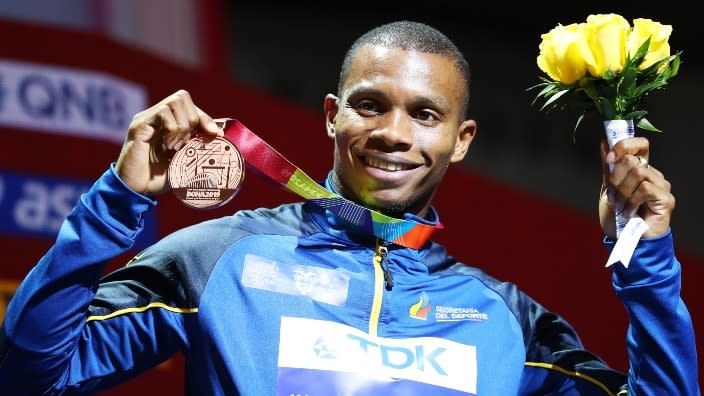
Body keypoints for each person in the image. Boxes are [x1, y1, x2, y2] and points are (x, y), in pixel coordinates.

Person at [0, 20, 699, 395]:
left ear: (461, 142)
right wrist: (116, 202)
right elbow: (33, 375)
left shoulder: (507, 319)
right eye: (371, 105)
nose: (393, 132)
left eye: (425, 114)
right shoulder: (218, 260)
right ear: (333, 116)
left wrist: (646, 262)